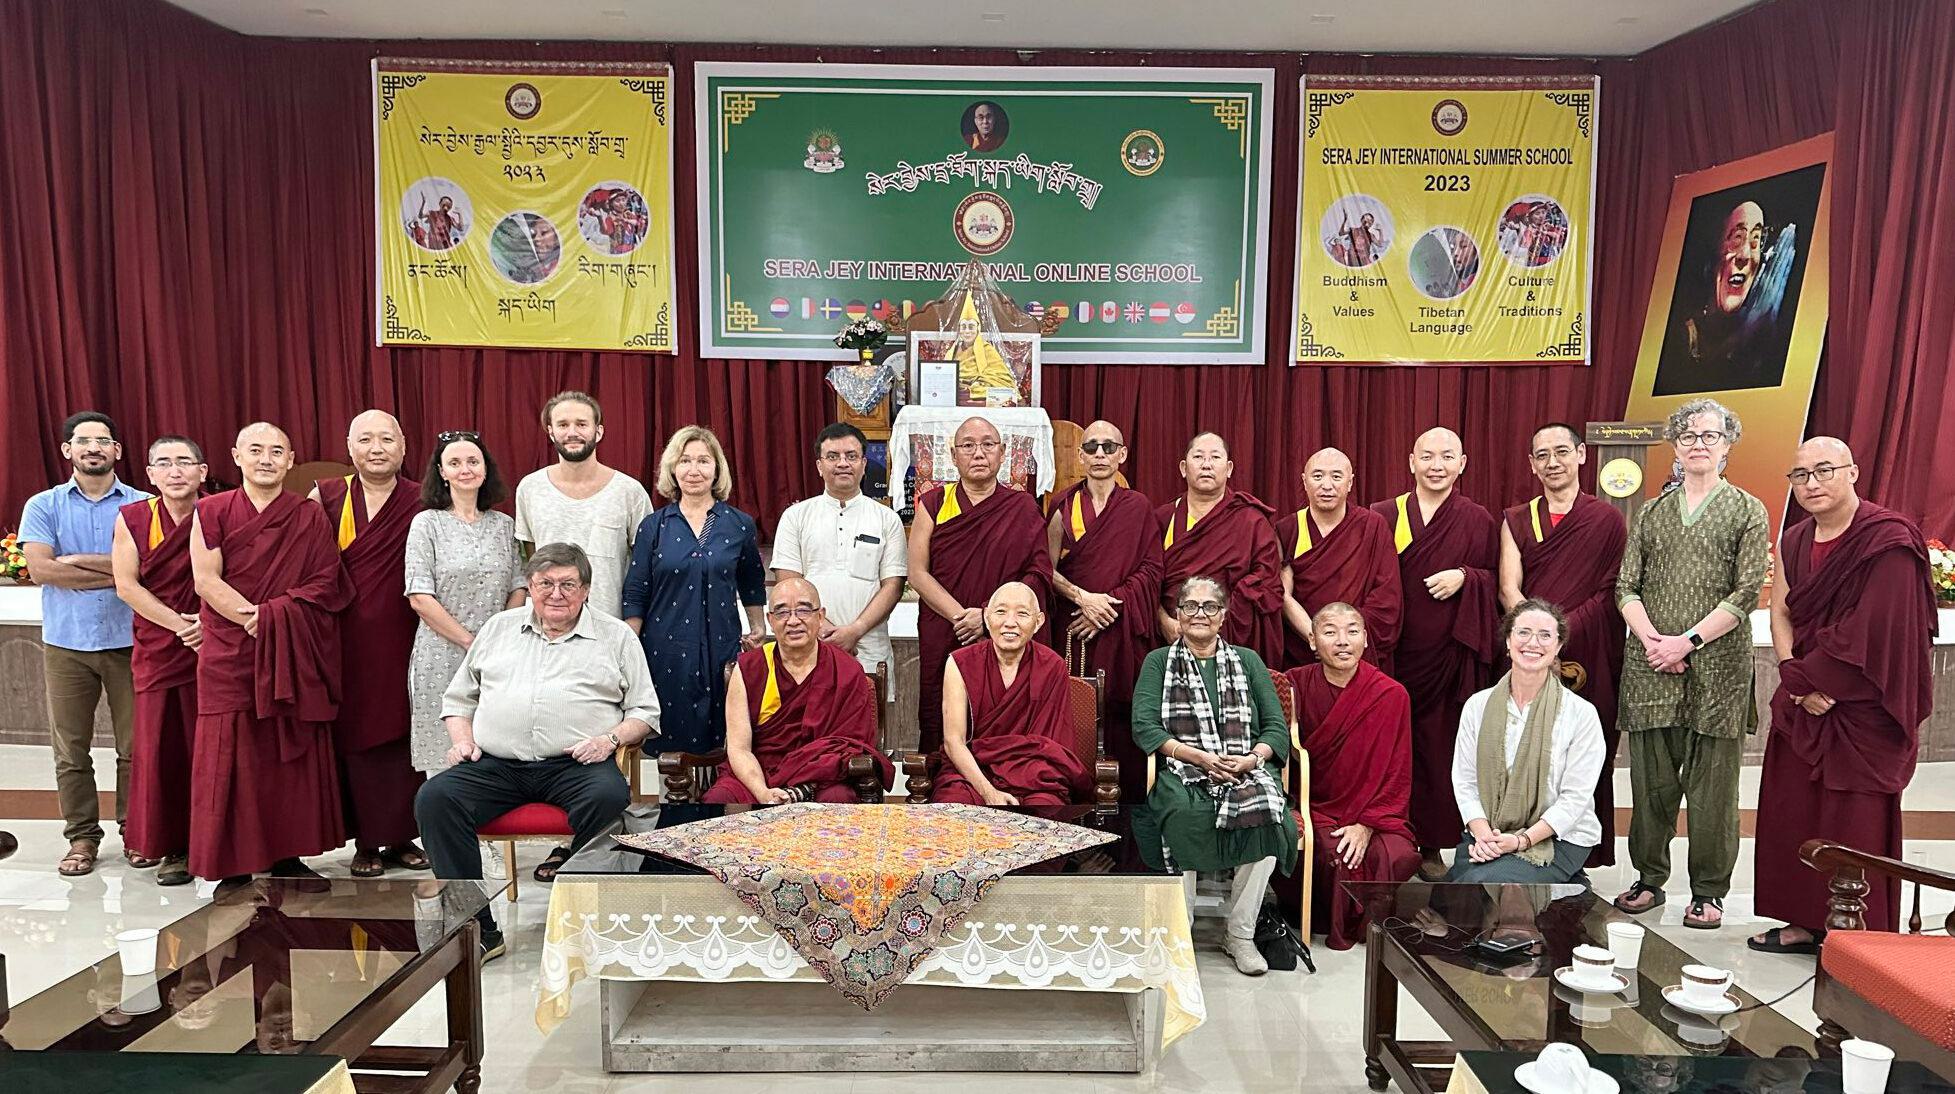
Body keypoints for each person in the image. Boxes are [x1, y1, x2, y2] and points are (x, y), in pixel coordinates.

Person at [415, 543, 659, 958]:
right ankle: (476, 930)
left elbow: (645, 711)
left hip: (578, 763)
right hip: (496, 764)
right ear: (530, 586)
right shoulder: (498, 629)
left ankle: (584, 919)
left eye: (568, 584)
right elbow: (457, 701)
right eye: (545, 583)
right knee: (435, 799)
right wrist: (462, 740)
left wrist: (610, 740)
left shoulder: (615, 636)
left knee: (608, 796)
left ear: (586, 589)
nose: (556, 593)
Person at [1750, 439, 1936, 952]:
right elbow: (1781, 611)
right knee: (1793, 808)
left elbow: (1877, 629)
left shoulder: (1888, 539)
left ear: (1853, 472)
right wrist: (1793, 674)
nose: (1812, 483)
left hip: (1862, 702)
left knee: (1851, 817)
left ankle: (1855, 933)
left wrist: (1815, 681)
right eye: (1800, 475)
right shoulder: (1793, 540)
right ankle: (1800, 918)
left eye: (1824, 470)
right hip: (1804, 696)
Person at [1613, 400, 1769, 929]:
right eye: (1688, 434)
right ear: (1675, 445)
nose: (1698, 442)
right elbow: (1625, 586)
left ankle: (1708, 891)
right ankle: (1649, 879)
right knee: (1650, 784)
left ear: (1728, 444)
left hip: (1718, 667)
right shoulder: (1653, 512)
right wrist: (1655, 640)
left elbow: (1747, 591)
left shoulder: (1748, 510)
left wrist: (1688, 642)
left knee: (1713, 790)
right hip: (1650, 662)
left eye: (1710, 434)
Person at [188, 422, 352, 885]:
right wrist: (253, 617)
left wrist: (277, 616)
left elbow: (327, 581)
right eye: (255, 450)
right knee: (230, 753)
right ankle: (231, 862)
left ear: (291, 459)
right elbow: (205, 579)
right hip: (229, 650)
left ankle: (286, 854)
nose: (266, 459)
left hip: (289, 647)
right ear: (236, 456)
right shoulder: (212, 510)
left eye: (276, 451)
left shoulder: (307, 516)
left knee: (285, 752)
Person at [1134, 576, 1295, 975]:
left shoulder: (1248, 660)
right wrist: (1197, 757)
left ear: (1223, 616)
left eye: (1210, 607)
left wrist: (1253, 759)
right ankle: (1180, 932)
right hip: (1184, 768)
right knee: (1182, 815)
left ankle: (1239, 934)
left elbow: (1276, 727)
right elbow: (1145, 727)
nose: (1199, 614)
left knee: (1268, 814)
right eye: (1190, 606)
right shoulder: (1158, 662)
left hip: (1245, 767)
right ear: (1178, 614)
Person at [19, 411, 150, 877]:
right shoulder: (43, 505)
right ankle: (81, 837)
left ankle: (137, 833)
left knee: (137, 747)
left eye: (103, 441)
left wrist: (79, 561)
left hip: (132, 643)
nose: (94, 448)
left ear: (118, 451)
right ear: (67, 451)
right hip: (66, 645)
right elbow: (42, 570)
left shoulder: (143, 505)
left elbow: (152, 569)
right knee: (70, 750)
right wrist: (119, 571)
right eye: (84, 441)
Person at [1498, 423, 1627, 868]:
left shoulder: (1607, 519)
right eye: (1542, 455)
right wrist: (1535, 638)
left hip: (1589, 649)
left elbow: (1611, 588)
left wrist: (1560, 633)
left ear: (1581, 455)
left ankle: (1581, 851)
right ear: (1532, 465)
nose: (1553, 462)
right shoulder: (1516, 518)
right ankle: (1523, 839)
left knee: (1584, 747)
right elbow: (1508, 587)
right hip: (1531, 654)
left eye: (1561, 452)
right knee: (1526, 746)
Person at [1371, 427, 1499, 877]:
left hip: (1447, 656)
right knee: (1390, 749)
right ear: (1411, 462)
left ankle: (1432, 843)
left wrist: (1467, 576)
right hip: (1394, 653)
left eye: (1447, 456)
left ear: (1462, 464)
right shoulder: (1383, 514)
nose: (1437, 465)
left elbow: (1492, 577)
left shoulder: (1477, 518)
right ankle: (1385, 834)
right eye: (1427, 456)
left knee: (1439, 748)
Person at [309, 410, 428, 877]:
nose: (376, 448)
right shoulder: (327, 495)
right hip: (342, 637)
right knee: (354, 735)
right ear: (349, 445)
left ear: (402, 445)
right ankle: (363, 841)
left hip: (405, 635)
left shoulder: (423, 500)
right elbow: (309, 563)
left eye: (386, 439)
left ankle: (400, 835)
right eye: (365, 439)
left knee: (402, 732)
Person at [908, 416, 1052, 751]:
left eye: (988, 444)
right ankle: (941, 788)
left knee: (1002, 716)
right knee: (940, 711)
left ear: (1002, 454)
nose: (978, 453)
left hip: (1005, 632)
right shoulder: (933, 504)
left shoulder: (1022, 507)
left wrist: (988, 616)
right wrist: (964, 617)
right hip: (947, 628)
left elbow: (1038, 572)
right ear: (953, 454)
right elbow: (917, 573)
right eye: (968, 445)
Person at [622, 426, 765, 759]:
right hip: (665, 650)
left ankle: (719, 807)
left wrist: (758, 627)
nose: (694, 469)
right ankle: (675, 811)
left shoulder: (740, 524)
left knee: (725, 741)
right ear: (673, 468)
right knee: (671, 749)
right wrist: (629, 647)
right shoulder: (654, 526)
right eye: (685, 460)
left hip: (722, 646)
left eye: (703, 460)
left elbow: (751, 582)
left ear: (717, 469)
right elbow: (636, 588)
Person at [1286, 603, 1419, 950]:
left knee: (1394, 853)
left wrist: (1368, 823)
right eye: (1330, 632)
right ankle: (1316, 919)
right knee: (1334, 853)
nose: (1342, 641)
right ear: (1313, 641)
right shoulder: (1294, 687)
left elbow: (1398, 769)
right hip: (1315, 803)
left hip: (1376, 811)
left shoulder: (1391, 694)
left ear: (1365, 640)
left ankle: (1368, 927)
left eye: (1352, 631)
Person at [1447, 599, 1607, 884]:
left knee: (1476, 886)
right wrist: (1484, 834)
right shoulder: (1478, 706)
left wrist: (1520, 841)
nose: (1533, 642)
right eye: (1523, 632)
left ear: (1558, 647)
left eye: (1545, 635)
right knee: (1448, 903)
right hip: (1491, 832)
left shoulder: (1580, 714)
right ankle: (1568, 886)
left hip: (1557, 839)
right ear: (1508, 641)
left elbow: (1575, 799)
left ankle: (1567, 883)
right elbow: (1465, 780)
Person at [1046, 421, 1161, 803]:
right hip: (1075, 627)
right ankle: (1074, 796)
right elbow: (1044, 568)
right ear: (1079, 455)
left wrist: (1107, 604)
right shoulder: (1062, 506)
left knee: (1121, 711)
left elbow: (1151, 569)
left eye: (1108, 447)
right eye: (1091, 447)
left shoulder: (1138, 506)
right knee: (1076, 708)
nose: (1099, 454)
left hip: (1120, 624)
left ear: (1122, 455)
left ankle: (1127, 804)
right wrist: (1083, 599)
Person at [110, 435, 207, 885]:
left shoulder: (219, 512)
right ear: (149, 475)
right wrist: (179, 624)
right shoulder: (132, 518)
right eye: (164, 463)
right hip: (161, 647)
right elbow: (127, 585)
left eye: (184, 462)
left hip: (215, 644)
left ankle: (219, 839)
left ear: (202, 472)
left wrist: (208, 622)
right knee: (163, 747)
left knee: (213, 746)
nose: (175, 471)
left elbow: (241, 573)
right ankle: (174, 847)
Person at [706, 577, 893, 804]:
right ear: (770, 620)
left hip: (823, 777)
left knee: (837, 797)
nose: (793, 621)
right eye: (782, 613)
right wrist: (763, 792)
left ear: (820, 616)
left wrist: (805, 785)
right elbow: (739, 749)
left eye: (803, 610)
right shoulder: (749, 669)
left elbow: (850, 746)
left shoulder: (847, 670)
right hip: (758, 772)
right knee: (721, 796)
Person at [404, 431, 525, 775]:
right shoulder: (426, 524)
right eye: (454, 463)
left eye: (473, 461)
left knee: (497, 752)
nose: (465, 469)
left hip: (499, 654)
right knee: (445, 760)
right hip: (441, 654)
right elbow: (419, 596)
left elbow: (518, 586)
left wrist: (496, 638)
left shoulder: (505, 525)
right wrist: (471, 642)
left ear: (485, 469)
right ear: (441, 472)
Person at [770, 422, 907, 679]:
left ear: (864, 464)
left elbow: (893, 586)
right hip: (809, 645)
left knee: (870, 717)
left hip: (868, 649)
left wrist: (854, 631)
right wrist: (824, 630)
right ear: (820, 466)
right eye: (833, 456)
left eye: (851, 456)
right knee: (809, 718)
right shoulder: (796, 517)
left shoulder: (887, 519)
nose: (843, 463)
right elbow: (787, 582)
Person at [932, 582, 1087, 807]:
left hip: (1033, 775)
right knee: (955, 806)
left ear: (1038, 622)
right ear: (986, 618)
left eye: (1022, 614)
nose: (1010, 623)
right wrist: (989, 793)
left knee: (1046, 810)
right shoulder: (959, 662)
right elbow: (953, 741)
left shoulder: (1052, 665)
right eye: (1001, 612)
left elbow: (1052, 746)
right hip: (973, 772)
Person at [513, 391, 654, 616]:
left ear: (598, 431)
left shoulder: (629, 492)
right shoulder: (530, 489)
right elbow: (531, 558)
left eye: (581, 424)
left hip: (610, 629)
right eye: (562, 425)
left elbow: (644, 570)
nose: (572, 433)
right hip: (549, 629)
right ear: (550, 432)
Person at [1157, 432, 1285, 666]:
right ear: (1184, 468)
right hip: (1172, 636)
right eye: (1198, 457)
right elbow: (1147, 581)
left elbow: (1267, 582)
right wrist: (1163, 620)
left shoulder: (1251, 520)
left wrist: (1215, 621)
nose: (1206, 464)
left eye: (1215, 457)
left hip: (1233, 638)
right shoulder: (1164, 518)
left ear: (1229, 468)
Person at [1278, 447, 1402, 672]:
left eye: (1336, 476)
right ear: (1304, 481)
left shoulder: (1372, 527)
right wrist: (1315, 638)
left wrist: (1343, 638)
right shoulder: (1287, 530)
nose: (1327, 485)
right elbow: (1279, 596)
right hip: (1302, 654)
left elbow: (1387, 597)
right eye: (1318, 476)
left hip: (1356, 652)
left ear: (1350, 482)